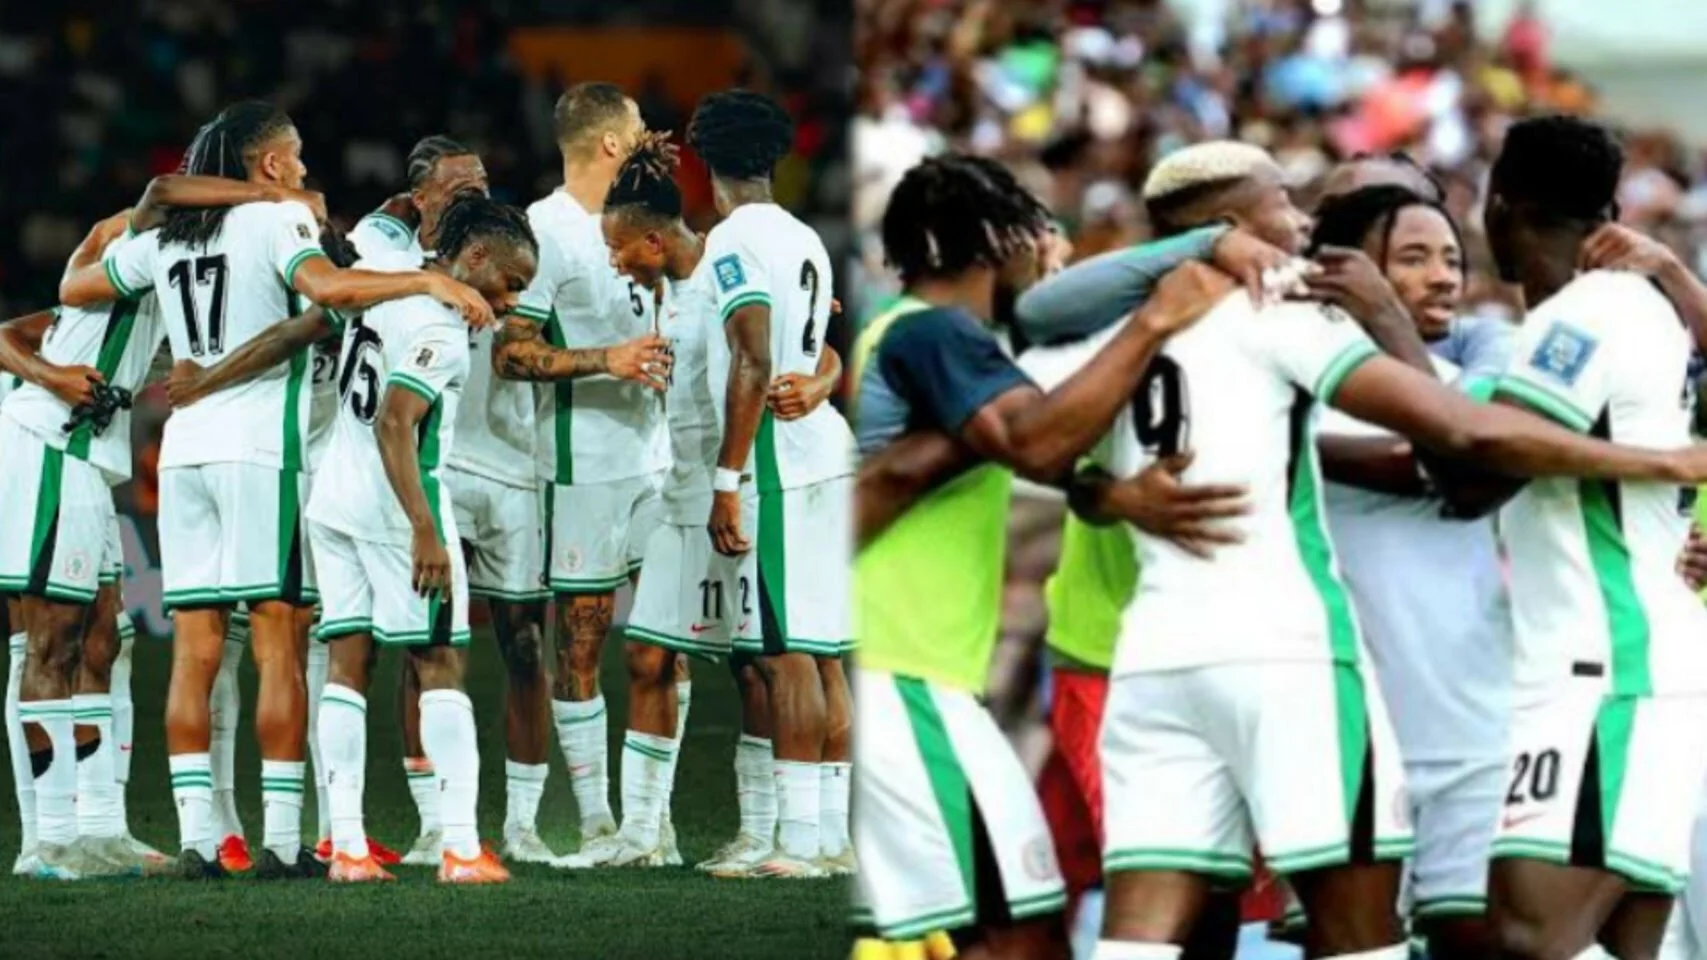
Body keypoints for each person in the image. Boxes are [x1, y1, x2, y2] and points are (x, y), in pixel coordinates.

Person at [58, 99, 493, 880]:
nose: (301, 168)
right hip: (262, 450)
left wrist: (99, 239)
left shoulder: (165, 237)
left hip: (184, 452)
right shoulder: (276, 217)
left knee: (194, 652)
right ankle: (286, 839)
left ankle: (199, 839)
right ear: (267, 163)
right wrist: (427, 279)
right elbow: (326, 288)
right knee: (279, 643)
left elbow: (76, 290)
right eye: (293, 156)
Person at [852, 151, 1243, 959]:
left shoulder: (923, 337)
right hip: (897, 672)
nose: (1050, 254)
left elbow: (1020, 445)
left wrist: (1114, 494)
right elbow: (1034, 441)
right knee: (1021, 936)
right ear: (998, 239)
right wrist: (1153, 321)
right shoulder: (934, 330)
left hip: (913, 675)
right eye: (1039, 234)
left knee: (998, 932)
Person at [1474, 116, 1707, 960]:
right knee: (1622, 945)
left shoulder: (1586, 314)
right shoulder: (1643, 311)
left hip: (1607, 670)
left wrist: (1385, 340)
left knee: (1525, 935)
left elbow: (1479, 469)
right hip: (1628, 665)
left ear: (1499, 206)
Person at [585, 133, 843, 869]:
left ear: (654, 240)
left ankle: (772, 834)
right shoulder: (676, 288)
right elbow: (808, 336)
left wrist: (821, 381)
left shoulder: (727, 264)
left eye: (619, 248)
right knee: (647, 652)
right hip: (684, 492)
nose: (615, 262)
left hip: (740, 483)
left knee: (767, 661)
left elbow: (779, 350)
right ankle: (645, 836)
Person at [1303, 184, 1511, 957]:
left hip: (1469, 726)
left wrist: (1299, 457)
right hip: (1349, 729)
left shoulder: (1464, 391)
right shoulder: (1301, 382)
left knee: (1478, 940)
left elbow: (1459, 466)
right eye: (1414, 258)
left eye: (1451, 259)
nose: (1442, 277)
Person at [305, 196, 537, 884]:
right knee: (439, 662)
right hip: (394, 511)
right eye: (511, 282)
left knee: (347, 665)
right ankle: (460, 847)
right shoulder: (440, 326)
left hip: (334, 495)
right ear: (473, 258)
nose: (512, 300)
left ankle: (347, 849)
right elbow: (396, 422)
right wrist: (425, 528)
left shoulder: (386, 276)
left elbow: (368, 230)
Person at [342, 134, 559, 866]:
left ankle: (517, 825)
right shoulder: (390, 257)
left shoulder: (505, 248)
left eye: (481, 180)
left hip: (502, 466)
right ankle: (442, 829)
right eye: (457, 184)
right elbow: (338, 290)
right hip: (429, 475)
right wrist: (429, 280)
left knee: (521, 645)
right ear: (420, 197)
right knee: (425, 649)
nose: (474, 192)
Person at [495, 82, 673, 859]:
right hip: (581, 466)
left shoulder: (651, 214)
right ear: (608, 143)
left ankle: (652, 824)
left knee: (667, 642)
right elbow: (510, 353)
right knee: (580, 644)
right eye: (638, 128)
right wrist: (608, 359)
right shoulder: (545, 230)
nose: (649, 137)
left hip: (661, 460)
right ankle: (598, 818)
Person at [687, 89, 855, 879]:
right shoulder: (805, 236)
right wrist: (822, 380)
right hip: (825, 454)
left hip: (777, 464)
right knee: (821, 656)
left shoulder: (733, 241)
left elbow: (751, 354)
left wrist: (726, 478)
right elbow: (816, 342)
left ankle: (796, 842)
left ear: (704, 162)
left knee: (785, 655)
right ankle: (828, 839)